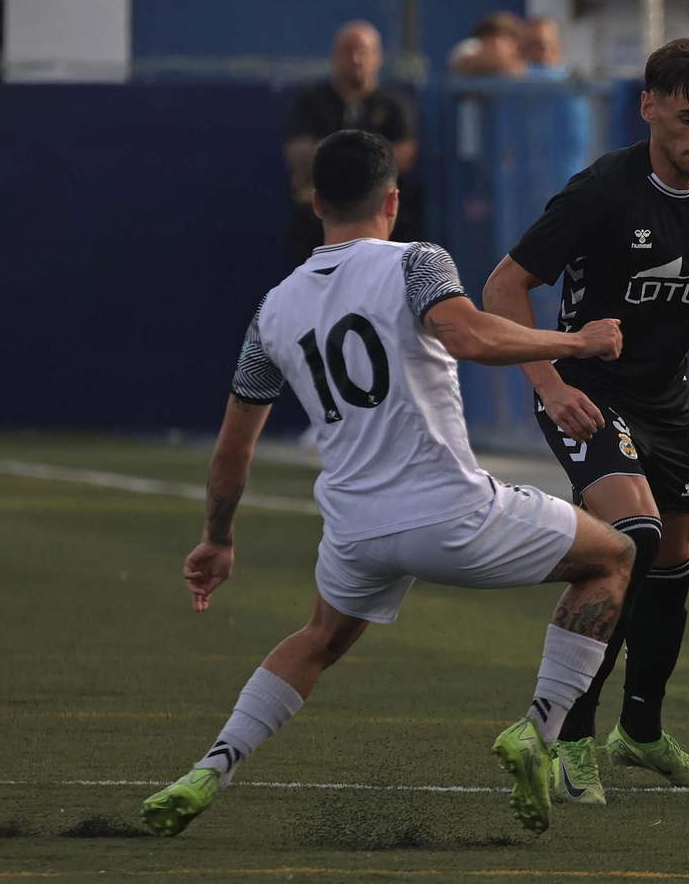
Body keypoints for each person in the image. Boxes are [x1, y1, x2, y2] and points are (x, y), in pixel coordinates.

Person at [140, 130, 633, 839]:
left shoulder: (271, 310)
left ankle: (210, 767)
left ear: (317, 203)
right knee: (614, 556)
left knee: (318, 638)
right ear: (393, 200)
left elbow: (232, 448)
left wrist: (217, 538)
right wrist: (576, 341)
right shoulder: (417, 261)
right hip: (452, 516)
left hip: (355, 534)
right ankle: (539, 728)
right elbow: (468, 336)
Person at [482, 38, 689, 805]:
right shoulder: (603, 190)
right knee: (630, 537)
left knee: (672, 561)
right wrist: (548, 383)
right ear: (649, 108)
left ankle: (638, 732)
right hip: (586, 390)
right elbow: (504, 285)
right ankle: (571, 738)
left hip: (664, 399)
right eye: (687, 117)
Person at [283, 22, 418, 263]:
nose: (356, 59)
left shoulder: (393, 105)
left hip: (380, 225)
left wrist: (334, 157)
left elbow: (404, 155)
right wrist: (369, 159)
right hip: (318, 225)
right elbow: (297, 152)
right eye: (348, 51)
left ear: (377, 57)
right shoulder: (311, 102)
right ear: (334, 56)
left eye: (363, 51)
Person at [449, 12, 527, 79]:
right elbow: (461, 65)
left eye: (502, 40)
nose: (495, 47)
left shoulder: (527, 65)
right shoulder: (468, 50)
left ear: (515, 44)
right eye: (489, 40)